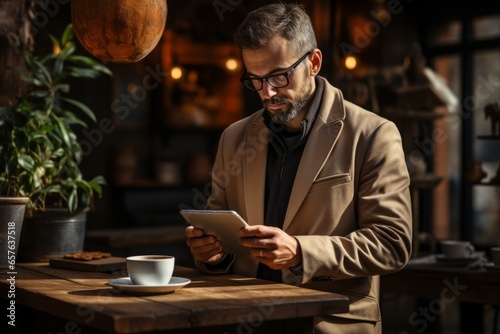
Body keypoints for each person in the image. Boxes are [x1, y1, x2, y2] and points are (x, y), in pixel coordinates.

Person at [185, 3, 412, 333]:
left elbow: (392, 243)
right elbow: (221, 234)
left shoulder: (373, 134)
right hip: (243, 319)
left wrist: (301, 252)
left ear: (314, 63)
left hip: (329, 324)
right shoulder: (233, 138)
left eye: (279, 75)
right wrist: (213, 254)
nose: (268, 92)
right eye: (256, 80)